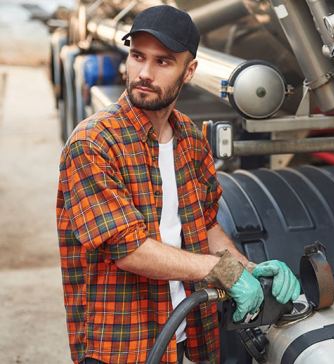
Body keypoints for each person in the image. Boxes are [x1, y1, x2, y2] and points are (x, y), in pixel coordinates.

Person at [56, 5, 300, 364]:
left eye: (163, 62)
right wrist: (218, 271)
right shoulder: (93, 143)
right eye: (138, 56)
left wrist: (248, 269)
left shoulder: (190, 138)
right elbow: (129, 250)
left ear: (190, 72)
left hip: (182, 337)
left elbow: (206, 225)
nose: (144, 73)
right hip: (120, 346)